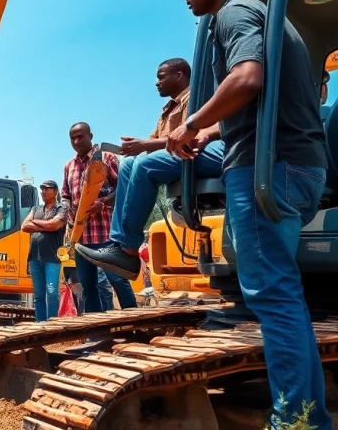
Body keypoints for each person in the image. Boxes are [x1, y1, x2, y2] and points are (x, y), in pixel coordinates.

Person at [167, 0, 328, 430]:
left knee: (273, 297)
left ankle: (295, 422)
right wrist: (209, 130)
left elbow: (246, 78)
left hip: (267, 169)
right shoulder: (263, 15)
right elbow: (259, 98)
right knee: (285, 298)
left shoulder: (234, 13)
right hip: (297, 167)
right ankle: (308, 416)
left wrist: (190, 123)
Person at [76, 58, 225, 279]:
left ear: (179, 74)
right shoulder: (168, 110)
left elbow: (188, 136)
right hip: (179, 157)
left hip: (198, 152)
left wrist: (144, 146)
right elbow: (155, 141)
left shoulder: (196, 97)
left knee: (144, 164)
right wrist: (137, 147)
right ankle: (120, 245)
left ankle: (128, 247)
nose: (156, 83)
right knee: (129, 164)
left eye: (161, 77)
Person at [60, 122, 136, 313]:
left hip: (107, 235)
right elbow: (65, 195)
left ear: (90, 136)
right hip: (81, 237)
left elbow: (125, 188)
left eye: (80, 136)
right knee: (88, 287)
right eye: (72, 138)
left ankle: (136, 323)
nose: (76, 141)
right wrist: (69, 210)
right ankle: (95, 328)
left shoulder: (106, 158)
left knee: (118, 281)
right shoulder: (69, 166)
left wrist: (104, 202)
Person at [21, 180, 67, 322]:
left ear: (55, 191)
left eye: (47, 188)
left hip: (52, 258)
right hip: (34, 257)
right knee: (39, 295)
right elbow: (24, 226)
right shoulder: (36, 209)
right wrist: (45, 226)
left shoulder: (61, 209)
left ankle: (51, 325)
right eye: (42, 189)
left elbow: (54, 225)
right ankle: (39, 324)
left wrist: (36, 223)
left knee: (52, 293)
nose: (43, 191)